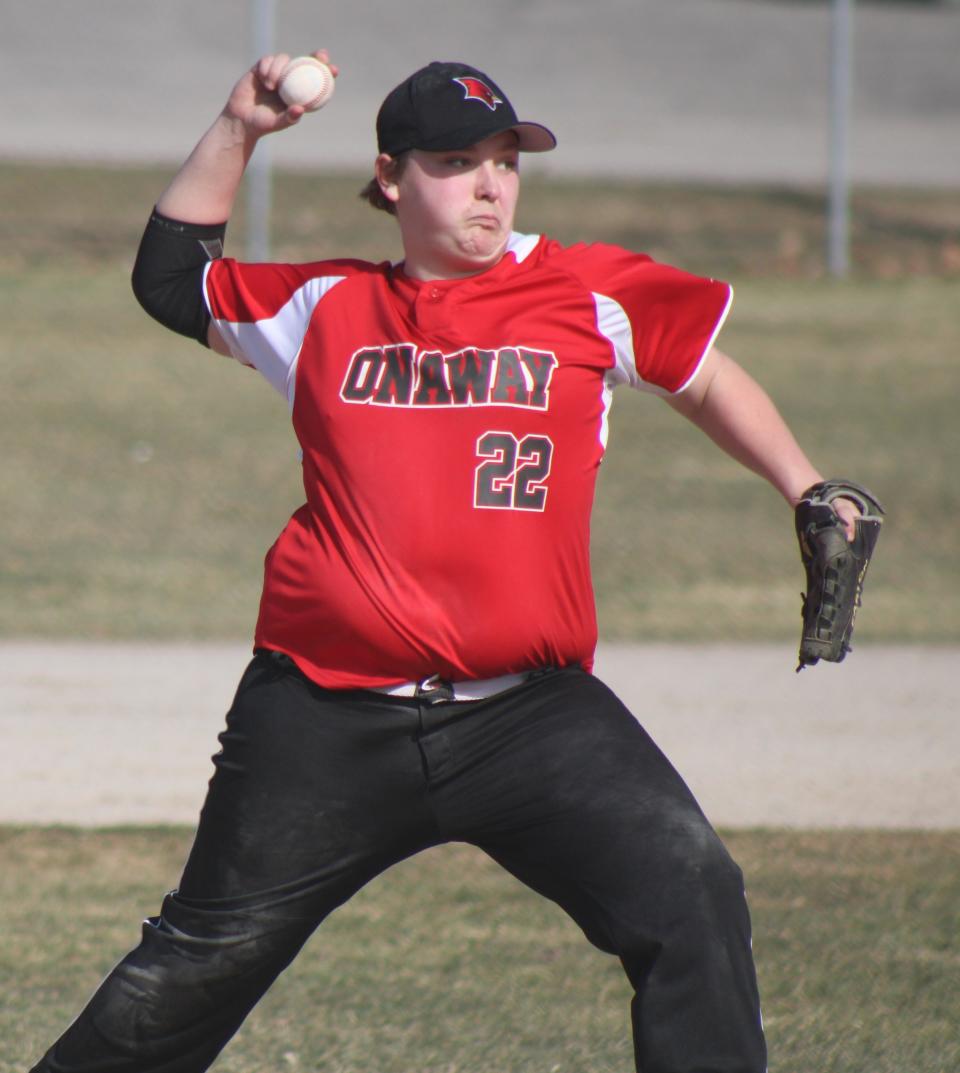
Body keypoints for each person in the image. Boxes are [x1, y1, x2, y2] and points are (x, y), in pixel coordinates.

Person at [31, 51, 860, 1073]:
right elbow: (169, 275)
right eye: (459, 160)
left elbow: (703, 376)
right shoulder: (323, 304)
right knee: (193, 967)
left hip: (531, 716)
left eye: (506, 159)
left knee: (694, 891)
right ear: (392, 179)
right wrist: (240, 126)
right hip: (324, 715)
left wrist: (809, 486)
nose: (490, 184)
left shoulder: (587, 290)